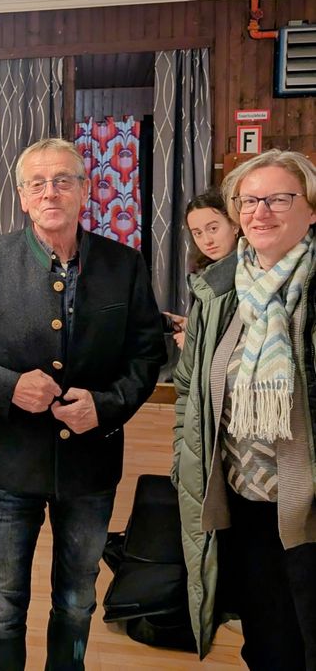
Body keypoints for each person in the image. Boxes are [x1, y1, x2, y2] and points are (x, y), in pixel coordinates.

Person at [0, 137, 165, 670]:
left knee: (78, 600)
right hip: (9, 464)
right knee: (3, 604)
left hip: (91, 466)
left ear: (85, 191)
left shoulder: (123, 264)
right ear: (22, 196)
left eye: (63, 180)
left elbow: (147, 355)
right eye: (37, 182)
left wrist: (106, 406)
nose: (50, 191)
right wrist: (8, 386)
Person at [173, 148, 316, 668]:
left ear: (311, 209)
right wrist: (182, 467)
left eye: (280, 198)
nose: (261, 212)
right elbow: (189, 388)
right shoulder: (219, 291)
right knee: (266, 636)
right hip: (244, 500)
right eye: (249, 201)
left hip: (308, 507)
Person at [163, 188, 240, 349]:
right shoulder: (207, 273)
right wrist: (190, 325)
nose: (207, 240)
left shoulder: (247, 270)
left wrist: (193, 346)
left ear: (234, 225)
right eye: (197, 233)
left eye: (213, 229)